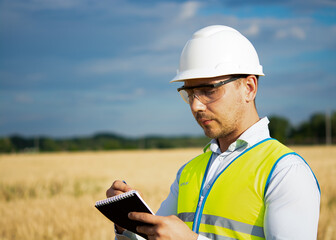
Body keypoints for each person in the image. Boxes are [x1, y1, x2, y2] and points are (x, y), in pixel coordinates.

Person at [106, 25, 320, 240]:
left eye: (209, 91)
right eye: (189, 93)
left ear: (249, 88)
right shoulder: (188, 173)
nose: (195, 106)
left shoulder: (285, 172)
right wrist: (129, 225)